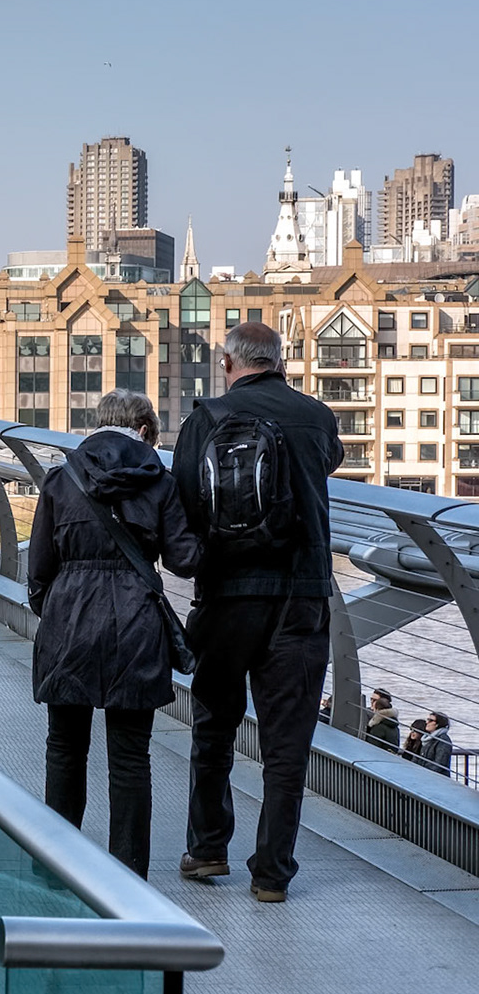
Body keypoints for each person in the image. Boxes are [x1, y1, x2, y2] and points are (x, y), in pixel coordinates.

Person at [171, 322, 344, 902]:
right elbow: (331, 463)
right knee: (286, 744)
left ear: (228, 362)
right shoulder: (316, 415)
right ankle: (271, 873)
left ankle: (207, 850)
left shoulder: (205, 419)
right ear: (280, 361)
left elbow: (186, 502)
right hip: (301, 595)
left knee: (215, 726)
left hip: (225, 596)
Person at [27, 389, 201, 879]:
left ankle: (55, 868)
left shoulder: (61, 479)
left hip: (69, 620)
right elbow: (186, 561)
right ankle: (128, 875)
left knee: (64, 747)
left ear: (96, 425)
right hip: (136, 624)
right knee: (130, 757)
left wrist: (59, 611)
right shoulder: (160, 483)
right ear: (144, 429)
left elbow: (39, 569)